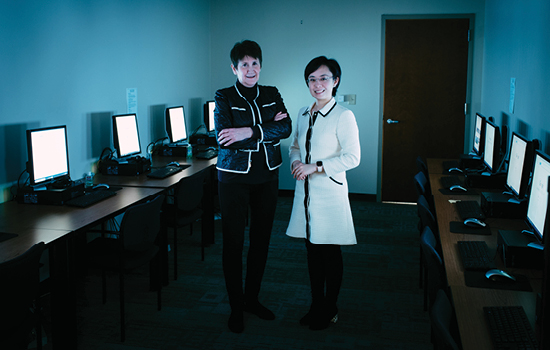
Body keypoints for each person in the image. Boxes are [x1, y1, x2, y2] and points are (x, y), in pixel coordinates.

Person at [214, 40, 292, 333]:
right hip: (233, 178)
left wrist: (247, 130)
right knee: (233, 244)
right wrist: (267, 129)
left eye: (255, 63)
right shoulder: (223, 96)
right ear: (234, 68)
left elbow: (285, 128)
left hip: (267, 177)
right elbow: (223, 137)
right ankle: (236, 307)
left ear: (261, 65)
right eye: (244, 64)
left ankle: (252, 299)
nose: (250, 69)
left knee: (261, 242)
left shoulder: (271, 93)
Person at [285, 56, 360, 330]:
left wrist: (314, 167)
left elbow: (353, 158)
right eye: (312, 79)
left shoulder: (343, 116)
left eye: (324, 78)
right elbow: (294, 145)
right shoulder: (304, 113)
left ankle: (331, 307)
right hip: (305, 196)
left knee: (329, 253)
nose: (318, 84)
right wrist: (295, 161)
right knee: (312, 252)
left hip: (329, 195)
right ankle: (316, 304)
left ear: (335, 81)